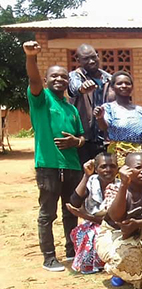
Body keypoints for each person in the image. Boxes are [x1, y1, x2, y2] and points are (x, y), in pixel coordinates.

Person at [23, 40, 86, 271]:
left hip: (71, 166)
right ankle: (49, 257)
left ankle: (71, 252)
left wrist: (74, 141)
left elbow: (82, 138)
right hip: (48, 166)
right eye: (55, 76)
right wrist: (31, 57)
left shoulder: (71, 108)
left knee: (71, 211)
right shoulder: (41, 99)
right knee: (47, 214)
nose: (59, 79)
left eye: (63, 77)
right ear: (47, 80)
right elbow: (34, 80)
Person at [96, 153, 142, 288]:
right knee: (126, 254)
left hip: (141, 228)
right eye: (138, 168)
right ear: (127, 170)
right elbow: (115, 216)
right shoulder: (114, 187)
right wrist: (124, 185)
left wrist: (138, 224)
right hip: (115, 232)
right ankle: (119, 272)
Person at [66, 153, 118, 274]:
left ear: (117, 169)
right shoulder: (91, 182)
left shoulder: (121, 185)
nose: (108, 170)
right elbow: (75, 201)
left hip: (113, 225)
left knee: (99, 232)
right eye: (103, 166)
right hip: (92, 224)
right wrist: (86, 175)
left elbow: (112, 220)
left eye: (112, 166)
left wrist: (84, 215)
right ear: (96, 169)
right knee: (85, 233)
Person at [95, 72, 142, 167]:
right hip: (118, 155)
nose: (124, 86)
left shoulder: (140, 110)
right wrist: (100, 117)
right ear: (113, 87)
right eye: (119, 83)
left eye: (127, 83)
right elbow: (104, 128)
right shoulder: (108, 108)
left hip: (140, 157)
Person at [68, 44, 113, 164]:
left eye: (94, 57)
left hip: (106, 138)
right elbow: (75, 88)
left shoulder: (109, 79)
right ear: (78, 60)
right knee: (86, 174)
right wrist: (82, 88)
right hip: (85, 139)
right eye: (86, 59)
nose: (91, 61)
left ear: (98, 56)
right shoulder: (75, 76)